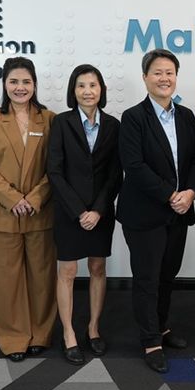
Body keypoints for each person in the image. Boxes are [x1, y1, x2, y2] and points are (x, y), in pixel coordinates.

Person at [117, 49, 195, 373]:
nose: (164, 78)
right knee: (147, 278)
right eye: (157, 73)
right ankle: (150, 339)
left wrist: (191, 192)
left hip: (179, 211)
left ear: (176, 77)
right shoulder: (133, 117)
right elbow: (134, 166)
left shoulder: (185, 116)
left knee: (168, 274)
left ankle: (161, 326)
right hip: (144, 213)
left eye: (169, 72)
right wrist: (171, 194)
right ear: (145, 78)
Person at [0, 56, 57, 362]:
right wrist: (12, 198)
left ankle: (41, 334)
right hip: (1, 212)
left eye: (26, 81)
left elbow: (56, 166)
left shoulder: (49, 119)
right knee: (6, 280)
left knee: (42, 277)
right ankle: (12, 338)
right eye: (14, 81)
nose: (20, 88)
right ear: (4, 84)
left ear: (35, 84)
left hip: (40, 212)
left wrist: (34, 198)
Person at [47, 64, 122, 365]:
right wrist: (79, 211)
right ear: (73, 91)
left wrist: (98, 210)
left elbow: (116, 173)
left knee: (98, 269)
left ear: (101, 90)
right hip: (69, 212)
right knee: (66, 272)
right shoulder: (61, 123)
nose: (87, 91)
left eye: (93, 85)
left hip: (101, 213)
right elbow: (54, 170)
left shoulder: (114, 125)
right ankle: (68, 333)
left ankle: (93, 328)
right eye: (81, 86)